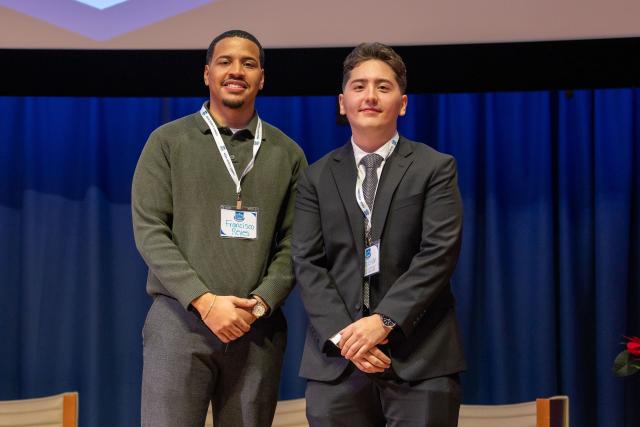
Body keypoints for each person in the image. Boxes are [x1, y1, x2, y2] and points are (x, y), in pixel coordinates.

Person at [132, 30, 307, 427]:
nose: (236, 71)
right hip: (178, 322)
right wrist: (205, 302)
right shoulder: (167, 141)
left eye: (248, 63)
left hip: (255, 327)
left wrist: (260, 303)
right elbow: (150, 230)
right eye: (225, 61)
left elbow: (296, 244)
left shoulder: (288, 153)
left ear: (261, 78)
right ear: (207, 73)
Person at [293, 42, 466, 427]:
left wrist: (384, 321)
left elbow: (438, 254)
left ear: (402, 103)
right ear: (342, 102)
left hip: (420, 361)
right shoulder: (315, 177)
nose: (370, 96)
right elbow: (306, 261)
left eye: (383, 87)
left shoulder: (435, 168)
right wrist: (347, 337)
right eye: (359, 86)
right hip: (336, 364)